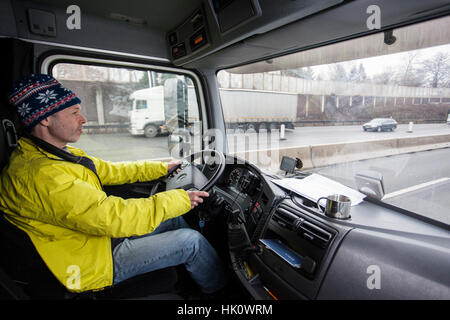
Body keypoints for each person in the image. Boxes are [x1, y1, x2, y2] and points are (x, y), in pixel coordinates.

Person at [0, 74, 227, 295]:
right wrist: (178, 199)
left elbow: (108, 170)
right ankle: (221, 295)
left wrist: (161, 168)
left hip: (89, 240)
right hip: (87, 263)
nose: (83, 119)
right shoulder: (42, 175)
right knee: (192, 243)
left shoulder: (54, 154)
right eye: (74, 113)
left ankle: (190, 272)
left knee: (173, 219)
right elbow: (110, 218)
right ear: (45, 119)